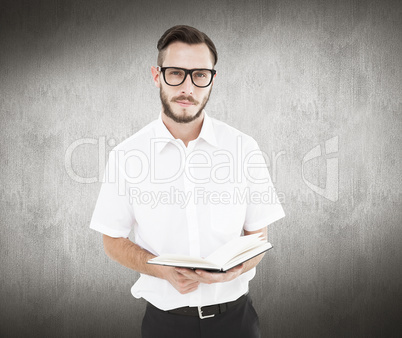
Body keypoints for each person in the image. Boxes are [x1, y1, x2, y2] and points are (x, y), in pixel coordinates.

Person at [90, 25, 285, 338]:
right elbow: (112, 240)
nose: (188, 87)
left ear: (211, 80)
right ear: (157, 76)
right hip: (164, 325)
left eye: (199, 75)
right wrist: (159, 269)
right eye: (176, 73)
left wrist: (240, 267)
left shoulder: (242, 147)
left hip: (237, 321)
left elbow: (258, 236)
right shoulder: (127, 155)